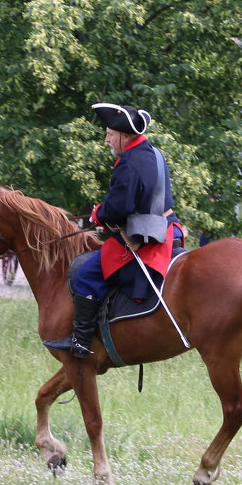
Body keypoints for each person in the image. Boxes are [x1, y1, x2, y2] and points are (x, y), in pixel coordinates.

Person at [44, 102, 183, 358]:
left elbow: (120, 207)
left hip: (144, 237)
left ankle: (82, 341)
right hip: (168, 229)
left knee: (86, 273)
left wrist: (99, 213)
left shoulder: (129, 162)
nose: (107, 139)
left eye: (110, 134)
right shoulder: (154, 152)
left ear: (125, 135)